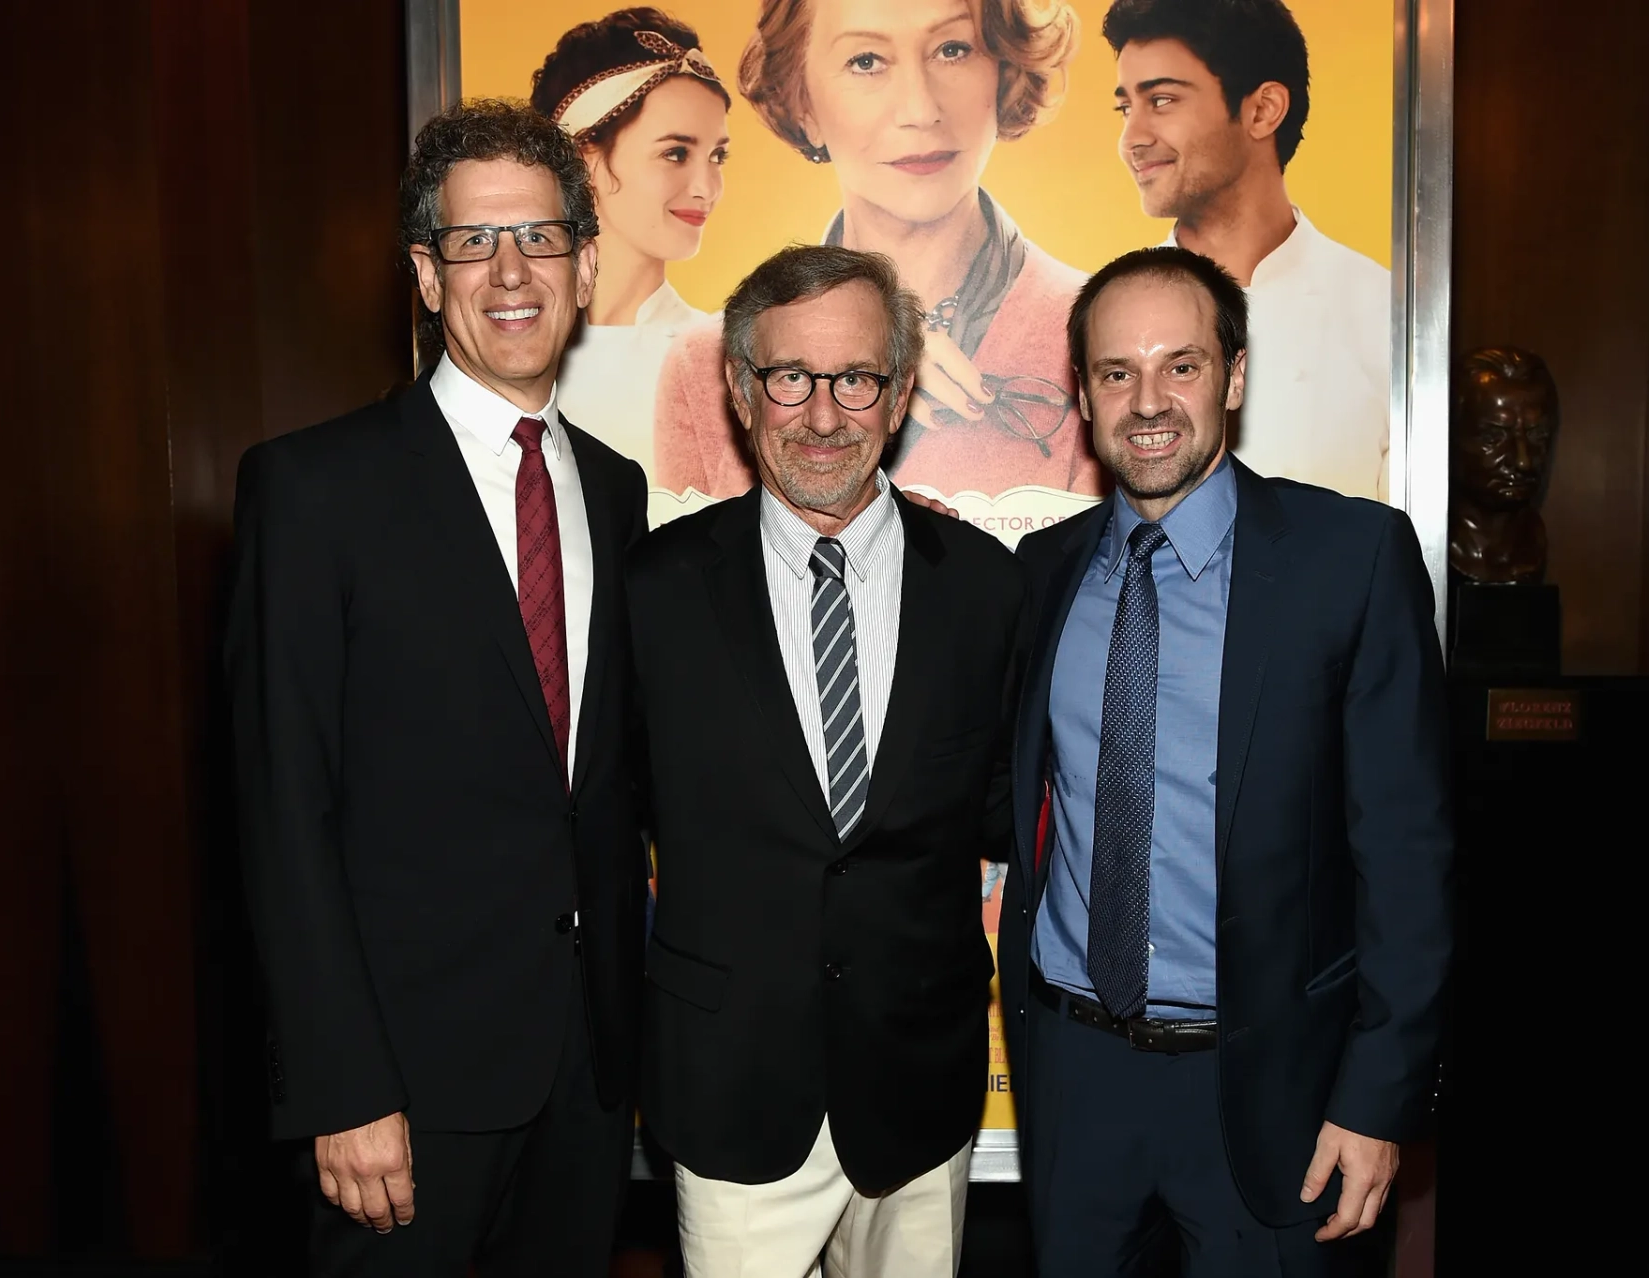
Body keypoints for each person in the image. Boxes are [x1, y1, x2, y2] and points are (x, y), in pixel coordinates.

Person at [226, 100, 647, 1277]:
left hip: (584, 1076)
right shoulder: (316, 493)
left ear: (585, 262)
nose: (512, 273)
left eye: (541, 237)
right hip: (400, 1091)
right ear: (426, 273)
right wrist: (339, 1086)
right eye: (474, 243)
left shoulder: (614, 492)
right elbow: (281, 813)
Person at [997, 246, 1451, 1276]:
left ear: (1235, 377)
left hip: (1273, 1088)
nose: (1147, 401)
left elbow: (1409, 859)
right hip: (1076, 1075)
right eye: (1117, 372)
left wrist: (1377, 1099)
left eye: (1182, 366)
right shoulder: (1042, 573)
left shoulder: (1351, 560)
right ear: (1082, 393)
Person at [627, 244, 1023, 1276]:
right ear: (739, 388)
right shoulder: (656, 589)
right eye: (789, 377)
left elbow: (1001, 810)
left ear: (896, 396)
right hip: (731, 1087)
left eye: (854, 379)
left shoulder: (985, 588)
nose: (820, 415)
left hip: (920, 1088)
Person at [654, 0, 1104, 504]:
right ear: (804, 105)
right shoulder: (705, 365)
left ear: (1004, 73)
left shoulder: (1105, 335)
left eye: (952, 50)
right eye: (866, 61)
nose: (919, 109)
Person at [1107, 0, 1392, 501]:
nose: (1132, 138)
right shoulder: (1104, 314)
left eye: (1163, 100)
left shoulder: (1382, 311)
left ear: (1262, 110)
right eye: (1126, 107)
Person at [531, 7, 731, 483]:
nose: (707, 186)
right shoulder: (505, 352)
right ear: (586, 160)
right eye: (675, 153)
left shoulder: (725, 358)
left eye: (718, 155)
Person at [1448, 345, 1559, 583]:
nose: (1523, 461)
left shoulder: (1531, 545)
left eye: (1537, 435)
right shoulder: (1417, 544)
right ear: (1450, 436)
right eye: (1494, 437)